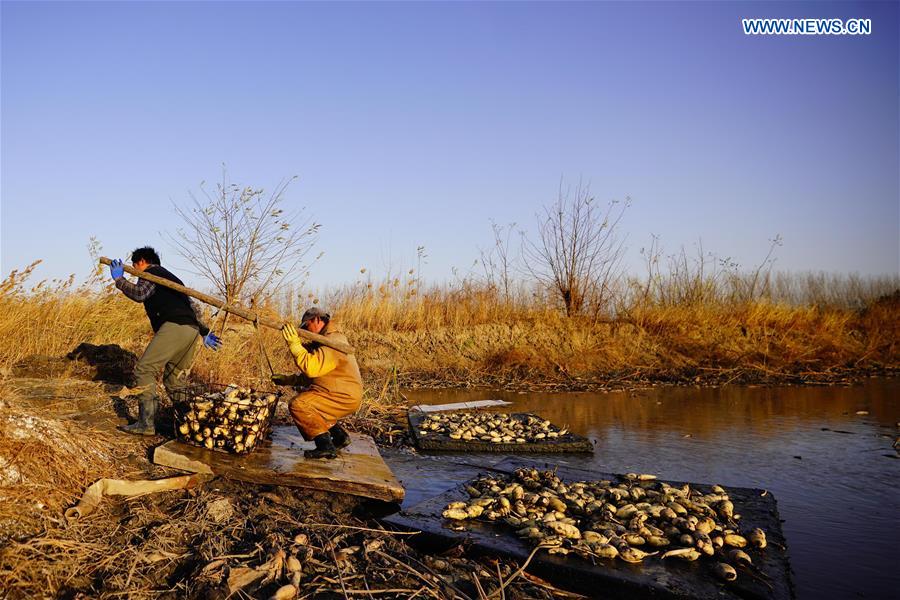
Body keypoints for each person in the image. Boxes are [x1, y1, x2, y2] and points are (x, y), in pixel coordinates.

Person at [109, 246, 222, 435]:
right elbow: (192, 310)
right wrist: (204, 332)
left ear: (142, 262)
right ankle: (190, 422)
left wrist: (120, 280)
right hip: (191, 331)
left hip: (174, 328)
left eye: (135, 267)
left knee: (144, 370)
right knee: (174, 380)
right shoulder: (173, 280)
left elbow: (140, 294)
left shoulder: (152, 273)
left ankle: (146, 424)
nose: (135, 272)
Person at [275, 307, 362, 459]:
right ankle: (340, 437)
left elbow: (311, 369)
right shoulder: (325, 341)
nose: (305, 330)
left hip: (343, 396)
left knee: (300, 405)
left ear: (316, 320)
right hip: (340, 393)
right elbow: (313, 377)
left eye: (306, 326)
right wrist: (287, 380)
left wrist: (295, 345)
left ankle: (325, 446)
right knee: (313, 403)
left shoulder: (332, 342)